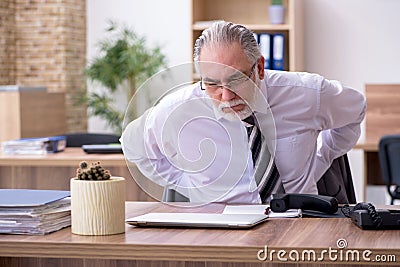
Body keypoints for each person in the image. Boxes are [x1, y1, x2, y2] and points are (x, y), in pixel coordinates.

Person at [120, 21, 366, 204]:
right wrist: (186, 183)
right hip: (221, 228)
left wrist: (325, 155)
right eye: (213, 84)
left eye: (236, 80)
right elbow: (133, 145)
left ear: (259, 67)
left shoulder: (307, 93)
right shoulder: (178, 109)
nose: (226, 97)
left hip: (298, 222)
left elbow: (355, 109)